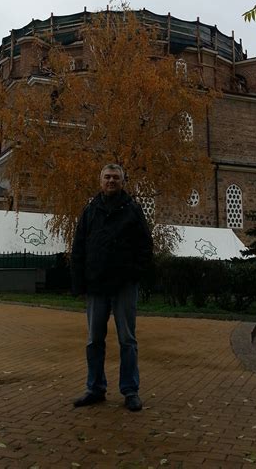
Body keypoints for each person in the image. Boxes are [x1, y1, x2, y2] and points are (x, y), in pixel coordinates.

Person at [71, 163, 153, 412]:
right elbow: (79, 247)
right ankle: (95, 388)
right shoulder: (91, 210)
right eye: (107, 177)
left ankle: (130, 390)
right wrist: (79, 283)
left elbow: (145, 246)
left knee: (127, 339)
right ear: (100, 180)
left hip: (123, 285)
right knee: (94, 339)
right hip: (97, 284)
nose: (111, 181)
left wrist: (134, 273)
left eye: (115, 178)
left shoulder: (132, 210)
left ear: (122, 181)